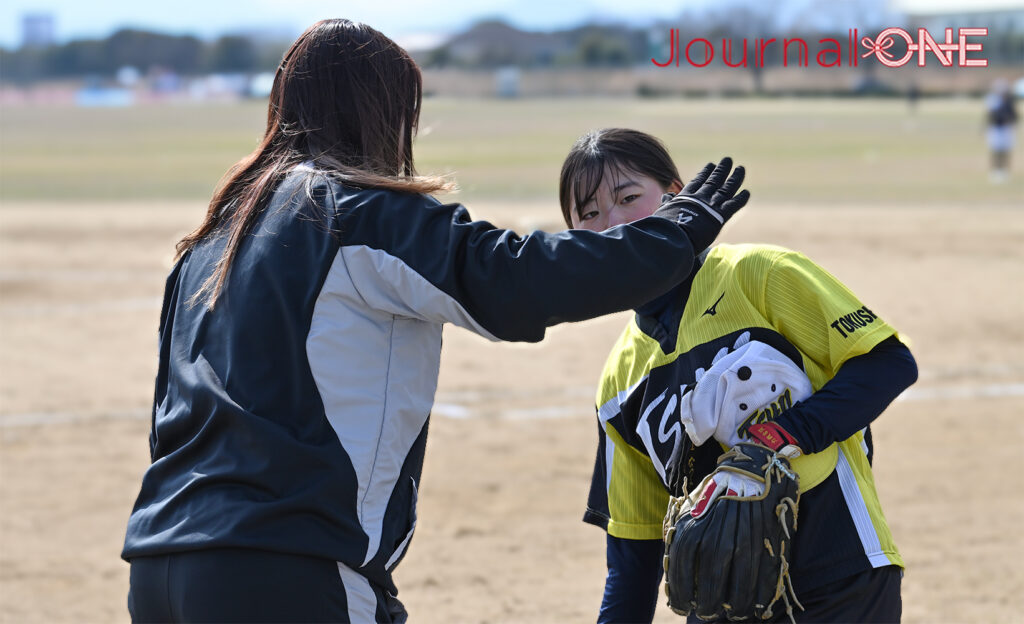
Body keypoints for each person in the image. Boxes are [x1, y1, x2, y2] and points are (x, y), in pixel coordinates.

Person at [120, 21, 750, 624]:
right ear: (381, 112)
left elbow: (164, 418)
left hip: (158, 565)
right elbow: (514, 282)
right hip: (286, 563)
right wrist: (674, 233)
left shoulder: (210, 239)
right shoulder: (358, 213)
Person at [557, 128, 918, 623]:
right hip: (721, 606)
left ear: (677, 195)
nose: (614, 223)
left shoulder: (760, 274)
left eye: (628, 197)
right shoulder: (618, 385)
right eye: (590, 214)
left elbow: (888, 362)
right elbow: (632, 559)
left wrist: (780, 435)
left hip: (843, 577)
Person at [986, 78, 1018, 183]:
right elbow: (990, 116)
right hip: (996, 129)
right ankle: (996, 170)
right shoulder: (993, 100)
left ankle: (1005, 170)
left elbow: (1015, 116)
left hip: (1006, 129)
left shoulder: (1010, 102)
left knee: (1006, 151)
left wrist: (1010, 121)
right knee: (996, 151)